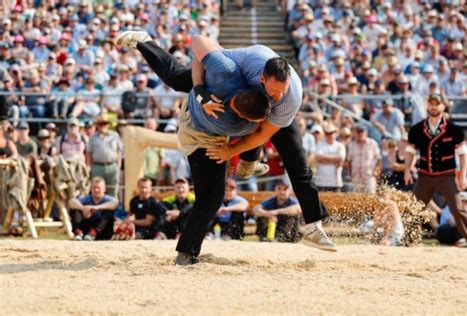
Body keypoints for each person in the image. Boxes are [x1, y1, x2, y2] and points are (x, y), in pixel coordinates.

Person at [116, 32, 337, 254]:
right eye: (274, 91)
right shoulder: (238, 67)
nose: (278, 95)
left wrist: (232, 151)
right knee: (176, 79)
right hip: (236, 99)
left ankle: (313, 226)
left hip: (273, 118)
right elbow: (200, 50)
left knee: (297, 163)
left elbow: (262, 134)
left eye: (283, 90)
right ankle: (145, 42)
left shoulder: (288, 98)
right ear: (261, 79)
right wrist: (201, 91)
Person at [117, 31, 272, 265]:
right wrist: (200, 94)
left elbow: (201, 46)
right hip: (198, 130)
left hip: (213, 87)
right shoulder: (233, 122)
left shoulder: (228, 73)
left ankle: (145, 42)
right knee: (212, 196)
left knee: (178, 77)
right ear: (240, 114)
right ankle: (187, 252)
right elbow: (256, 135)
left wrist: (203, 78)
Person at [404, 93, 467, 248]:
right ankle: (407, 241)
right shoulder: (417, 129)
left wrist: (462, 176)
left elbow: (463, 155)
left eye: (437, 104)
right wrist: (407, 169)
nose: (433, 107)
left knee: (458, 209)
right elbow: (410, 151)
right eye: (431, 103)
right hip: (425, 176)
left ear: (443, 106)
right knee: (414, 208)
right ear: (427, 105)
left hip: (446, 176)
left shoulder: (454, 130)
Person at [68, 176, 118, 241]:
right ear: (91, 189)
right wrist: (83, 208)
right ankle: (78, 233)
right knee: (75, 209)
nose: (96, 190)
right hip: (87, 228)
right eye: (94, 188)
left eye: (98, 188)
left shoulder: (108, 199)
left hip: (102, 231)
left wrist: (97, 207)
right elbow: (71, 202)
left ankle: (93, 233)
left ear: (104, 189)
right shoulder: (87, 199)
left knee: (108, 212)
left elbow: (115, 204)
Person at [86, 113, 123, 198]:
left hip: (112, 166)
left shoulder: (115, 135)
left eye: (104, 123)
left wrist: (118, 166)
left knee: (113, 190)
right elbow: (89, 153)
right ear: (97, 125)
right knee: (96, 190)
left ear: (108, 124)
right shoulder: (93, 137)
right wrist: (89, 167)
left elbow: (119, 151)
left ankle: (112, 210)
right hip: (97, 166)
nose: (102, 126)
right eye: (100, 124)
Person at [347, 123, 382, 193]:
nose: (360, 134)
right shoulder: (351, 145)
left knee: (371, 195)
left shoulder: (372, 143)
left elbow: (379, 160)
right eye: (358, 132)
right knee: (357, 197)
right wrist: (351, 174)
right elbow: (349, 161)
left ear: (366, 132)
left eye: (361, 131)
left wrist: (377, 172)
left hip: (369, 175)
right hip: (356, 176)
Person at [314, 123, 346, 191]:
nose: (329, 135)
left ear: (335, 133)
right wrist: (334, 160)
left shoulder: (340, 146)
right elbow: (319, 158)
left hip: (336, 183)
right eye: (327, 133)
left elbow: (340, 159)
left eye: (331, 133)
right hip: (321, 183)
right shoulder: (320, 145)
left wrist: (325, 160)